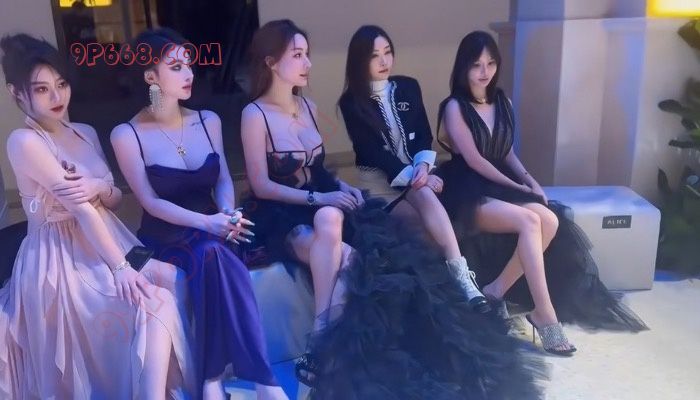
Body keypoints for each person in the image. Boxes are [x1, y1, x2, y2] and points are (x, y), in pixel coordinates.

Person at [241, 20, 546, 399]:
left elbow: (319, 170)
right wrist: (322, 199)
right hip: (282, 213)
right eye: (298, 55)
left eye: (307, 54)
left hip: (324, 202)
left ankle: (323, 354)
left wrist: (343, 189)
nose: (308, 63)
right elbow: (261, 185)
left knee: (356, 259)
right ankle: (320, 342)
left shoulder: (308, 106)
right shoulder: (255, 114)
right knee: (333, 221)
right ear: (271, 62)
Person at [0, 33, 194, 399]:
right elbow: (81, 209)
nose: (57, 97)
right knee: (156, 302)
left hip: (110, 237)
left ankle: (178, 386)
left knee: (175, 278)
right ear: (16, 94)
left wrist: (98, 186)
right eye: (41, 90)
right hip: (61, 258)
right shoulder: (24, 142)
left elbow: (114, 199)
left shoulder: (85, 132)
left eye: (61, 84)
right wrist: (120, 268)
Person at [436, 31, 648, 356]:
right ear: (464, 67)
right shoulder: (454, 107)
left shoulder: (502, 102)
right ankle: (545, 315)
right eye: (477, 65)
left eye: (491, 63)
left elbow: (506, 152)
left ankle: (496, 291)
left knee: (550, 220)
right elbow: (475, 160)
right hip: (467, 187)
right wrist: (516, 187)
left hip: (501, 182)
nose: (485, 71)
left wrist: (530, 181)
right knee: (530, 221)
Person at [110, 28, 287, 400]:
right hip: (162, 237)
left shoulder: (208, 120)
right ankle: (258, 381)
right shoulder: (126, 134)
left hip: (215, 229)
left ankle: (212, 381)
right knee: (212, 254)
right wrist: (208, 223)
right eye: (176, 67)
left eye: (189, 64)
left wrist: (228, 212)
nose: (189, 73)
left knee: (214, 252)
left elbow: (222, 178)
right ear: (150, 76)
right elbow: (150, 202)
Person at [338, 25, 488, 313]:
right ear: (360, 61)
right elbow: (372, 153)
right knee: (425, 226)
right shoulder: (350, 103)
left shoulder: (408, 86)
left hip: (415, 177)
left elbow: (422, 135)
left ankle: (459, 282)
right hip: (381, 186)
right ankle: (455, 288)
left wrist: (423, 167)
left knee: (430, 210)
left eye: (388, 52)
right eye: (374, 56)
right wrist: (419, 178)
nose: (384, 61)